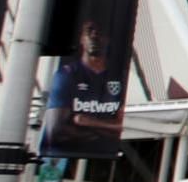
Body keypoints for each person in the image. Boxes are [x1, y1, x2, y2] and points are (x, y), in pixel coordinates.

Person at [41, 16, 126, 156]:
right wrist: (107, 130)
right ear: (81, 39)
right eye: (89, 31)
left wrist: (88, 122)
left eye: (99, 33)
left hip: (103, 157)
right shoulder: (66, 75)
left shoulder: (119, 77)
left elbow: (123, 126)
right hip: (59, 157)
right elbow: (56, 131)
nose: (94, 36)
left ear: (107, 39)